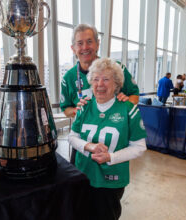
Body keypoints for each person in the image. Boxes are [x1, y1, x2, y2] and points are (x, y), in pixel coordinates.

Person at [69, 58, 147, 220]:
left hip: (111, 179)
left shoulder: (128, 109)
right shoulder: (84, 106)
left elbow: (139, 147)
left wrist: (111, 157)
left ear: (116, 83)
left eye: (106, 79)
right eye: (96, 79)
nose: (100, 84)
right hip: (83, 175)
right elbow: (72, 137)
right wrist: (89, 146)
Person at [60, 24, 139, 118]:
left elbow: (135, 95)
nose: (85, 47)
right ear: (73, 49)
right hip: (85, 130)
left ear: (97, 44)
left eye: (89, 42)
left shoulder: (116, 68)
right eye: (80, 43)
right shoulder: (68, 78)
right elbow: (66, 109)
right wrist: (77, 110)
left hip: (115, 127)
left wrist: (124, 104)